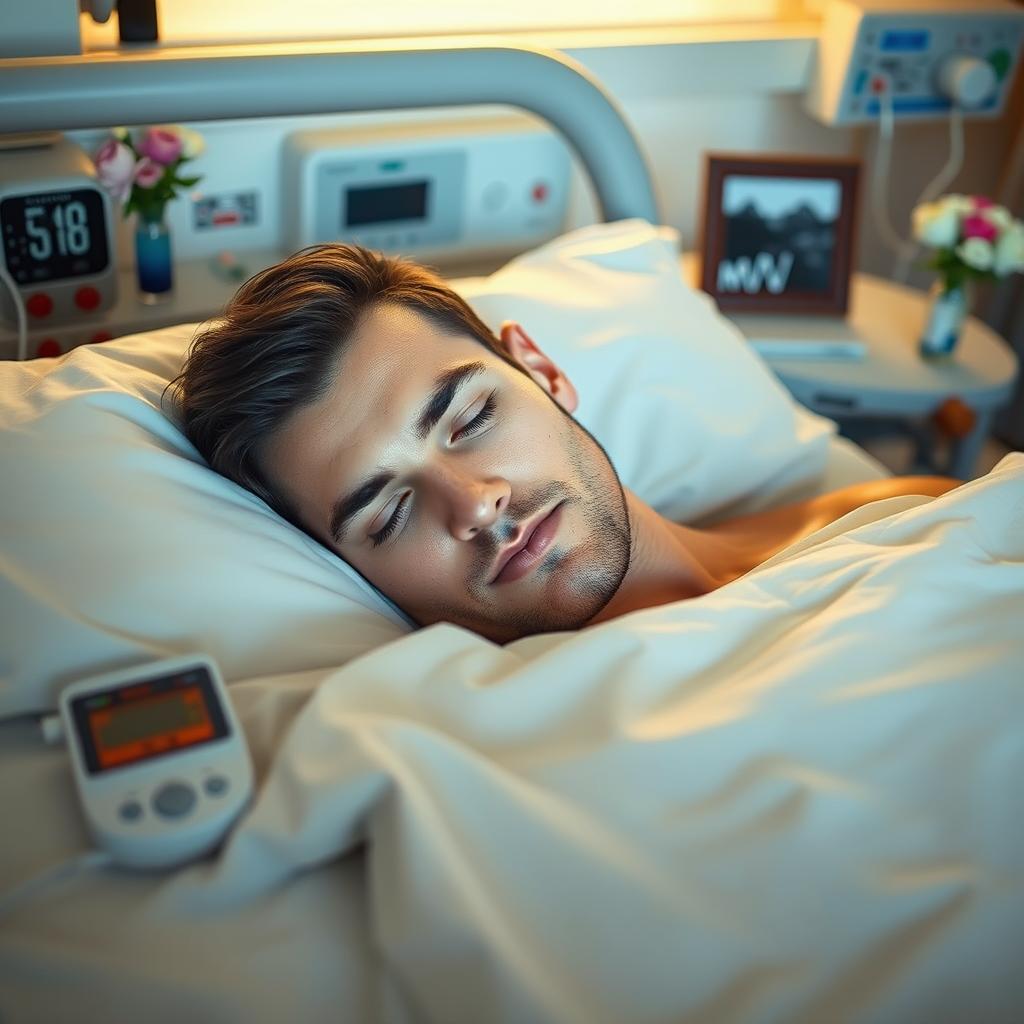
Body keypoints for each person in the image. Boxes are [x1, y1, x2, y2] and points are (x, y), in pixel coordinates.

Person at [170, 244, 959, 643]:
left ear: (541, 371)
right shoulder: (485, 744)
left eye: (470, 418)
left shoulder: (906, 516)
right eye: (388, 516)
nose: (477, 504)